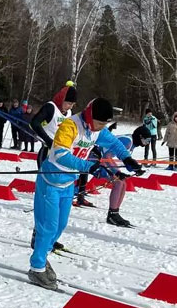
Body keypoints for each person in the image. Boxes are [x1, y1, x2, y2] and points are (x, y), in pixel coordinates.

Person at [28, 98, 144, 289]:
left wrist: (127, 158)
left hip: (67, 184)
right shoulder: (69, 126)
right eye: (99, 123)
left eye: (104, 124)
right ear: (90, 115)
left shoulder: (96, 130)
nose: (100, 128)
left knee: (60, 226)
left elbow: (114, 143)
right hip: (50, 181)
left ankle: (42, 255)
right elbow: (60, 155)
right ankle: (37, 267)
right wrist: (89, 167)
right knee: (49, 226)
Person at [31, 84, 76, 166]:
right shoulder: (51, 107)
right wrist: (48, 140)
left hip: (61, 150)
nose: (70, 107)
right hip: (47, 148)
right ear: (62, 100)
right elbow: (34, 123)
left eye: (73, 104)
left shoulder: (69, 113)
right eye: (69, 103)